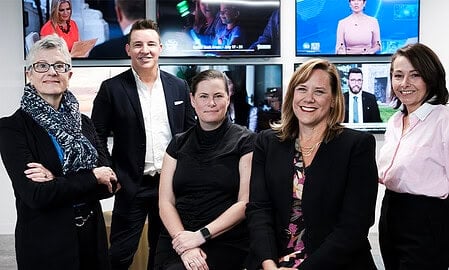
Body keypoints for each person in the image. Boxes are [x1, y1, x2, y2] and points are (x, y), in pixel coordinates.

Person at [246, 58, 378, 269]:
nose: (308, 99)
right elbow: (259, 209)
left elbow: (355, 226)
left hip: (333, 262)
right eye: (302, 89)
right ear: (292, 95)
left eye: (319, 91)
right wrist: (269, 264)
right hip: (273, 260)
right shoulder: (266, 142)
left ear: (334, 99)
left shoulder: (357, 145)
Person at [0, 35, 116, 270]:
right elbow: (36, 196)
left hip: (92, 243)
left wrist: (57, 181)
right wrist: (92, 177)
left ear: (69, 75)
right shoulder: (11, 127)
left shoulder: (84, 123)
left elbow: (110, 184)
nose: (51, 72)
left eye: (60, 66)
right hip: (46, 247)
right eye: (42, 65)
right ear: (29, 74)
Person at [91, 19, 196, 270]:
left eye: (150, 44)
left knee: (163, 254)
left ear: (160, 47)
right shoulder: (112, 88)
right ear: (128, 50)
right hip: (131, 186)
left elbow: (192, 133)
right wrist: (110, 172)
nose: (144, 50)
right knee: (119, 254)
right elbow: (96, 134)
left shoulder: (178, 86)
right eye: (137, 45)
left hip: (170, 186)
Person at [155, 69, 256, 270]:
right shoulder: (178, 143)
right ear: (192, 100)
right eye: (203, 96)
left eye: (218, 96)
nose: (211, 103)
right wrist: (184, 244)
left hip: (225, 239)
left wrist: (200, 236)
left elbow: (245, 202)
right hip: (177, 237)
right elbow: (165, 202)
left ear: (228, 98)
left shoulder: (246, 141)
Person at [377, 43, 449, 269]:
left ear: (430, 77)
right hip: (391, 209)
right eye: (398, 75)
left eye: (415, 75)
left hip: (427, 218)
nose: (404, 84)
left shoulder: (443, 119)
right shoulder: (395, 121)